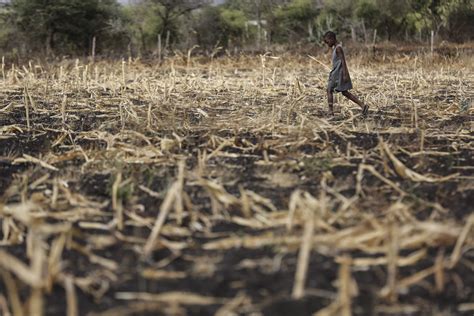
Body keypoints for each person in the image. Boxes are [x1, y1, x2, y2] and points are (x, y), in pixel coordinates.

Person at [323, 31, 368, 116]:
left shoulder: (338, 48)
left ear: (332, 39)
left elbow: (343, 62)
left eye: (327, 42)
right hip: (337, 73)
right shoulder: (336, 48)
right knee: (345, 92)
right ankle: (362, 105)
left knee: (329, 90)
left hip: (338, 74)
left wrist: (345, 74)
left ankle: (330, 111)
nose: (327, 44)